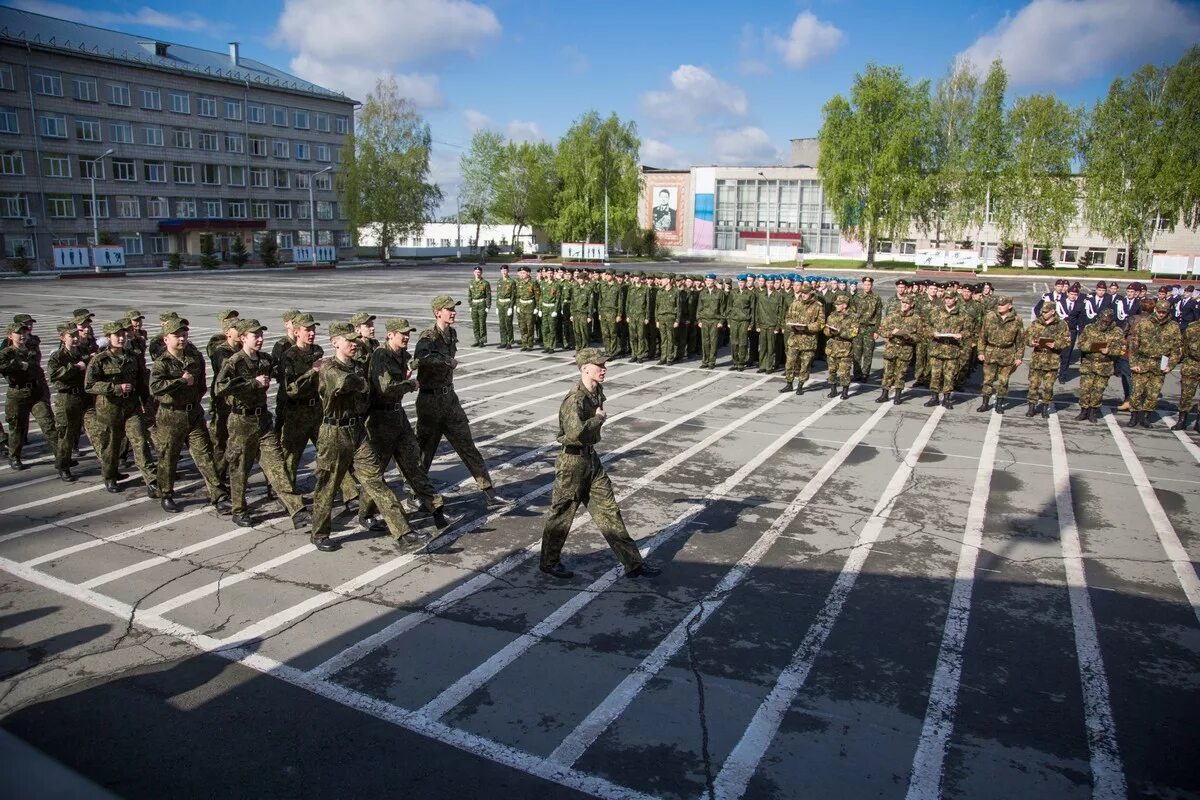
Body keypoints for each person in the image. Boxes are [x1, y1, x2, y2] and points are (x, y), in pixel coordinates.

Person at [538, 348, 661, 580]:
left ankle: (633, 563)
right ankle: (549, 562)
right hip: (572, 462)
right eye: (599, 366)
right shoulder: (575, 399)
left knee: (609, 511)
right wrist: (597, 420)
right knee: (562, 514)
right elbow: (575, 434)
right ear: (585, 368)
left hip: (591, 460)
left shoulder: (596, 391)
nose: (604, 369)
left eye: (604, 366)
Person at [310, 322, 418, 552]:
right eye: (348, 340)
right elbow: (346, 382)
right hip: (334, 433)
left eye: (355, 340)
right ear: (335, 343)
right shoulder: (329, 368)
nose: (353, 344)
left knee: (375, 479)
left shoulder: (357, 366)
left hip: (357, 430)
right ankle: (320, 533)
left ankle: (403, 531)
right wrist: (365, 382)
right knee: (328, 485)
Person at [414, 295, 512, 507]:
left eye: (454, 309)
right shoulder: (428, 336)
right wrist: (445, 360)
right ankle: (416, 495)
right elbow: (420, 360)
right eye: (449, 309)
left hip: (449, 399)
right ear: (437, 312)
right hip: (430, 401)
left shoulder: (452, 333)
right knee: (424, 452)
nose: (453, 312)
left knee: (467, 445)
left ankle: (489, 492)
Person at [215, 319, 311, 529]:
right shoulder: (234, 362)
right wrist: (252, 383)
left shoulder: (265, 360)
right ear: (242, 338)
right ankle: (239, 510)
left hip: (263, 421)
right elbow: (219, 388)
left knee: (277, 466)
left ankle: (297, 510)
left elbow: (282, 371)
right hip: (241, 421)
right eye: (254, 336)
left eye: (261, 336)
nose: (259, 340)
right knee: (240, 468)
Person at [363, 317, 456, 530]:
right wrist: (410, 384)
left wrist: (419, 365)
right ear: (390, 335)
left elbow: (415, 362)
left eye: (408, 333)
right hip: (380, 419)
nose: (406, 337)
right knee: (376, 471)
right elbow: (385, 388)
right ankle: (365, 513)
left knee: (414, 464)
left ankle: (437, 510)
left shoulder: (403, 355)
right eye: (402, 333)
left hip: (398, 417)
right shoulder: (381, 355)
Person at [149, 317, 231, 514]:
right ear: (166, 339)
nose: (182, 339)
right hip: (171, 415)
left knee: (205, 455)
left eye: (184, 335)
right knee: (168, 456)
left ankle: (218, 495)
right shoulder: (162, 363)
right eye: (177, 336)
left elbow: (201, 383)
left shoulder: (194, 357)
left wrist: (193, 397)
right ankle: (166, 493)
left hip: (193, 413)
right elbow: (155, 389)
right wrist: (180, 382)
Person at [84, 321, 156, 494]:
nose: (122, 338)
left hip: (131, 408)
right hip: (110, 409)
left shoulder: (132, 357)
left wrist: (146, 402)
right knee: (111, 446)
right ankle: (110, 476)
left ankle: (151, 480)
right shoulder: (99, 360)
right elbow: (90, 385)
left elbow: (140, 383)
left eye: (124, 335)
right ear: (109, 338)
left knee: (140, 442)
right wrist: (115, 388)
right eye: (117, 335)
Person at [2, 320, 68, 474]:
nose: (22, 335)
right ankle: (14, 457)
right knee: (17, 428)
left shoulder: (32, 347)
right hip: (17, 394)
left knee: (49, 426)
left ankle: (62, 459)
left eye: (24, 332)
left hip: (36, 393)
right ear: (10, 336)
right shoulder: (7, 353)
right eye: (18, 333)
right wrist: (18, 365)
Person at [1127, 299, 1183, 429]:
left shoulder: (1173, 327)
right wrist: (1133, 363)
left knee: (1153, 393)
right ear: (1155, 310)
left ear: (1168, 312)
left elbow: (1176, 349)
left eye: (1164, 312)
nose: (1161, 314)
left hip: (1160, 364)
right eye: (1159, 311)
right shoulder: (1144, 324)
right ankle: (1134, 416)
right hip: (1142, 362)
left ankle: (1145, 417)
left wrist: (1171, 365)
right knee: (1136, 392)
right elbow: (1134, 345)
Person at [45, 321, 90, 481]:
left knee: (95, 429)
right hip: (67, 398)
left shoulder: (82, 351)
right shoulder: (58, 356)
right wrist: (76, 367)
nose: (76, 338)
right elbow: (54, 374)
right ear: (63, 337)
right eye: (72, 336)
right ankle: (63, 466)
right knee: (66, 434)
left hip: (84, 396)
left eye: (77, 335)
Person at [1075, 309, 1126, 423]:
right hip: (1089, 363)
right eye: (1102, 320)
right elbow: (1080, 344)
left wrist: (1110, 350)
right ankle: (1083, 411)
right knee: (1085, 389)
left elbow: (1122, 349)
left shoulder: (1117, 331)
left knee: (1098, 390)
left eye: (1107, 321)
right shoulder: (1089, 328)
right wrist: (1092, 346)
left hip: (1105, 365)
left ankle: (1093, 411)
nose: (1104, 323)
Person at [977, 296, 1024, 414]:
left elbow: (1020, 341)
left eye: (1002, 305)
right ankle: (985, 403)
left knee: (1004, 380)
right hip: (991, 351)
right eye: (998, 304)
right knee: (988, 379)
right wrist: (980, 352)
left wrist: (1019, 357)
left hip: (1007, 353)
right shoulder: (990, 317)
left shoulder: (1017, 320)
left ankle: (999, 403)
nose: (999, 306)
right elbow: (982, 336)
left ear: (1010, 306)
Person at [875, 295, 926, 404]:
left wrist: (909, 337)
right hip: (891, 348)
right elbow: (881, 330)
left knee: (901, 374)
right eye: (903, 303)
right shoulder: (892, 315)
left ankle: (898, 395)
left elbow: (920, 336)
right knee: (887, 372)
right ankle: (884, 394)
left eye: (907, 303)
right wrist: (891, 333)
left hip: (905, 349)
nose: (904, 305)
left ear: (912, 305)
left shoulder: (916, 319)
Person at [1023, 301, 1070, 418]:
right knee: (1033, 385)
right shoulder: (1036, 323)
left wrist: (1056, 344)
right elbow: (1026, 337)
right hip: (1037, 359)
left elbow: (1067, 341)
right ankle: (1031, 407)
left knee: (1048, 387)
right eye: (1042, 312)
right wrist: (1032, 342)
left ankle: (1045, 407)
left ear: (1053, 311)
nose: (1043, 314)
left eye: (1045, 312)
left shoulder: (1062, 325)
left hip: (1052, 360)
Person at [926, 291, 969, 409]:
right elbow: (926, 326)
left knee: (949, 375)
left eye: (950, 298)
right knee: (935, 374)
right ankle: (934, 397)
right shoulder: (935, 311)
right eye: (946, 298)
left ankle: (946, 398)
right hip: (937, 348)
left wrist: (961, 334)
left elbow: (969, 330)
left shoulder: (962, 313)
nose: (948, 300)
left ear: (955, 299)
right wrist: (932, 333)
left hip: (952, 349)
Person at [781, 282, 825, 394]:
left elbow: (821, 323)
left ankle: (801, 385)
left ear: (811, 292)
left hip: (808, 341)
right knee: (790, 363)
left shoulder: (818, 306)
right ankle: (789, 383)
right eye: (802, 293)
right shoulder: (795, 303)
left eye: (806, 293)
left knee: (805, 365)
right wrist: (792, 325)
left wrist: (807, 327)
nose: (804, 295)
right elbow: (787, 317)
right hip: (795, 338)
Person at [823, 294, 859, 399]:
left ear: (844, 305)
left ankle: (844, 391)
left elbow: (853, 333)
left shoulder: (853, 317)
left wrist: (840, 332)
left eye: (838, 304)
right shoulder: (832, 315)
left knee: (844, 371)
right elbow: (825, 330)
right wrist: (829, 331)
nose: (836, 306)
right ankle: (833, 390)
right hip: (832, 346)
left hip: (845, 348)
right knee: (832, 370)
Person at [850, 276, 882, 381]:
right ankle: (856, 374)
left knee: (868, 353)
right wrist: (853, 327)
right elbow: (852, 313)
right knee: (856, 353)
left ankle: (865, 374)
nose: (867, 286)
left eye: (869, 285)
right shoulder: (856, 297)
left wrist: (877, 331)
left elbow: (878, 315)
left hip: (870, 328)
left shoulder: (876, 298)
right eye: (865, 284)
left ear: (872, 285)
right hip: (858, 328)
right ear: (862, 285)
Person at [1173, 319, 1200, 431]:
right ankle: (1182, 420)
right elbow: (1184, 348)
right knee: (1186, 395)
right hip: (1192, 366)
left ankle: (1199, 422)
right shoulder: (1192, 328)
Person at [515, 265, 539, 351]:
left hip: (530, 306)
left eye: (523, 273)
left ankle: (530, 345)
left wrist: (537, 307)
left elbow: (537, 296)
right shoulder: (519, 282)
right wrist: (517, 306)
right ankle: (524, 344)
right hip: (521, 306)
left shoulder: (533, 283)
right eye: (521, 273)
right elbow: (517, 296)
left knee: (530, 326)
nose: (522, 274)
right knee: (522, 326)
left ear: (528, 273)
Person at [467, 265, 492, 347]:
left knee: (482, 323)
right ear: (473, 273)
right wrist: (470, 305)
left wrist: (488, 306)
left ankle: (482, 340)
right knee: (475, 323)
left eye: (479, 272)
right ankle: (476, 340)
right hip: (474, 304)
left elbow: (488, 295)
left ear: (481, 273)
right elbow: (469, 295)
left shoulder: (485, 283)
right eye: (476, 272)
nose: (478, 273)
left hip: (482, 304)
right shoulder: (471, 283)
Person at [495, 264, 516, 348]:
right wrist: (497, 306)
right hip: (500, 304)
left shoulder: (511, 281)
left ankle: (509, 342)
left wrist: (511, 307)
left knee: (508, 324)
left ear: (508, 271)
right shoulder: (499, 281)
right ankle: (503, 341)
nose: (504, 272)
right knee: (502, 324)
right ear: (500, 271)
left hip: (507, 304)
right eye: (502, 271)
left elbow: (513, 295)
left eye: (505, 270)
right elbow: (497, 295)